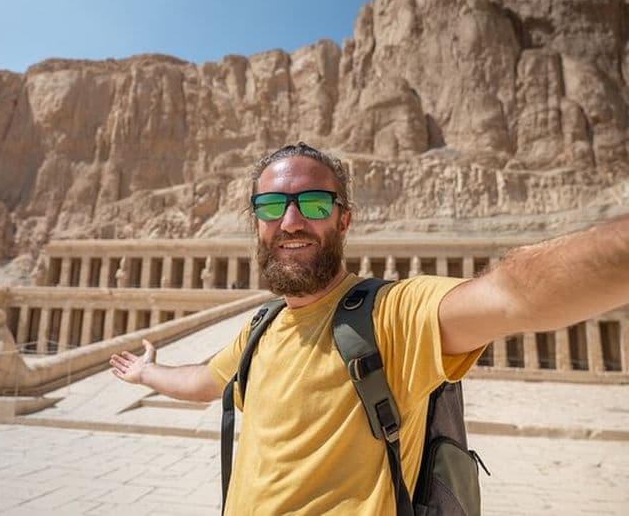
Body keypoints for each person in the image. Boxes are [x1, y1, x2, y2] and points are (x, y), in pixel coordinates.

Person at [110, 142, 629, 515]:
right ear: (257, 223)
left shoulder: (389, 317)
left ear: (343, 220)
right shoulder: (261, 330)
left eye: (313, 204)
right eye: (272, 206)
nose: (290, 221)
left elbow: (515, 293)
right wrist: (148, 373)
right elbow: (206, 381)